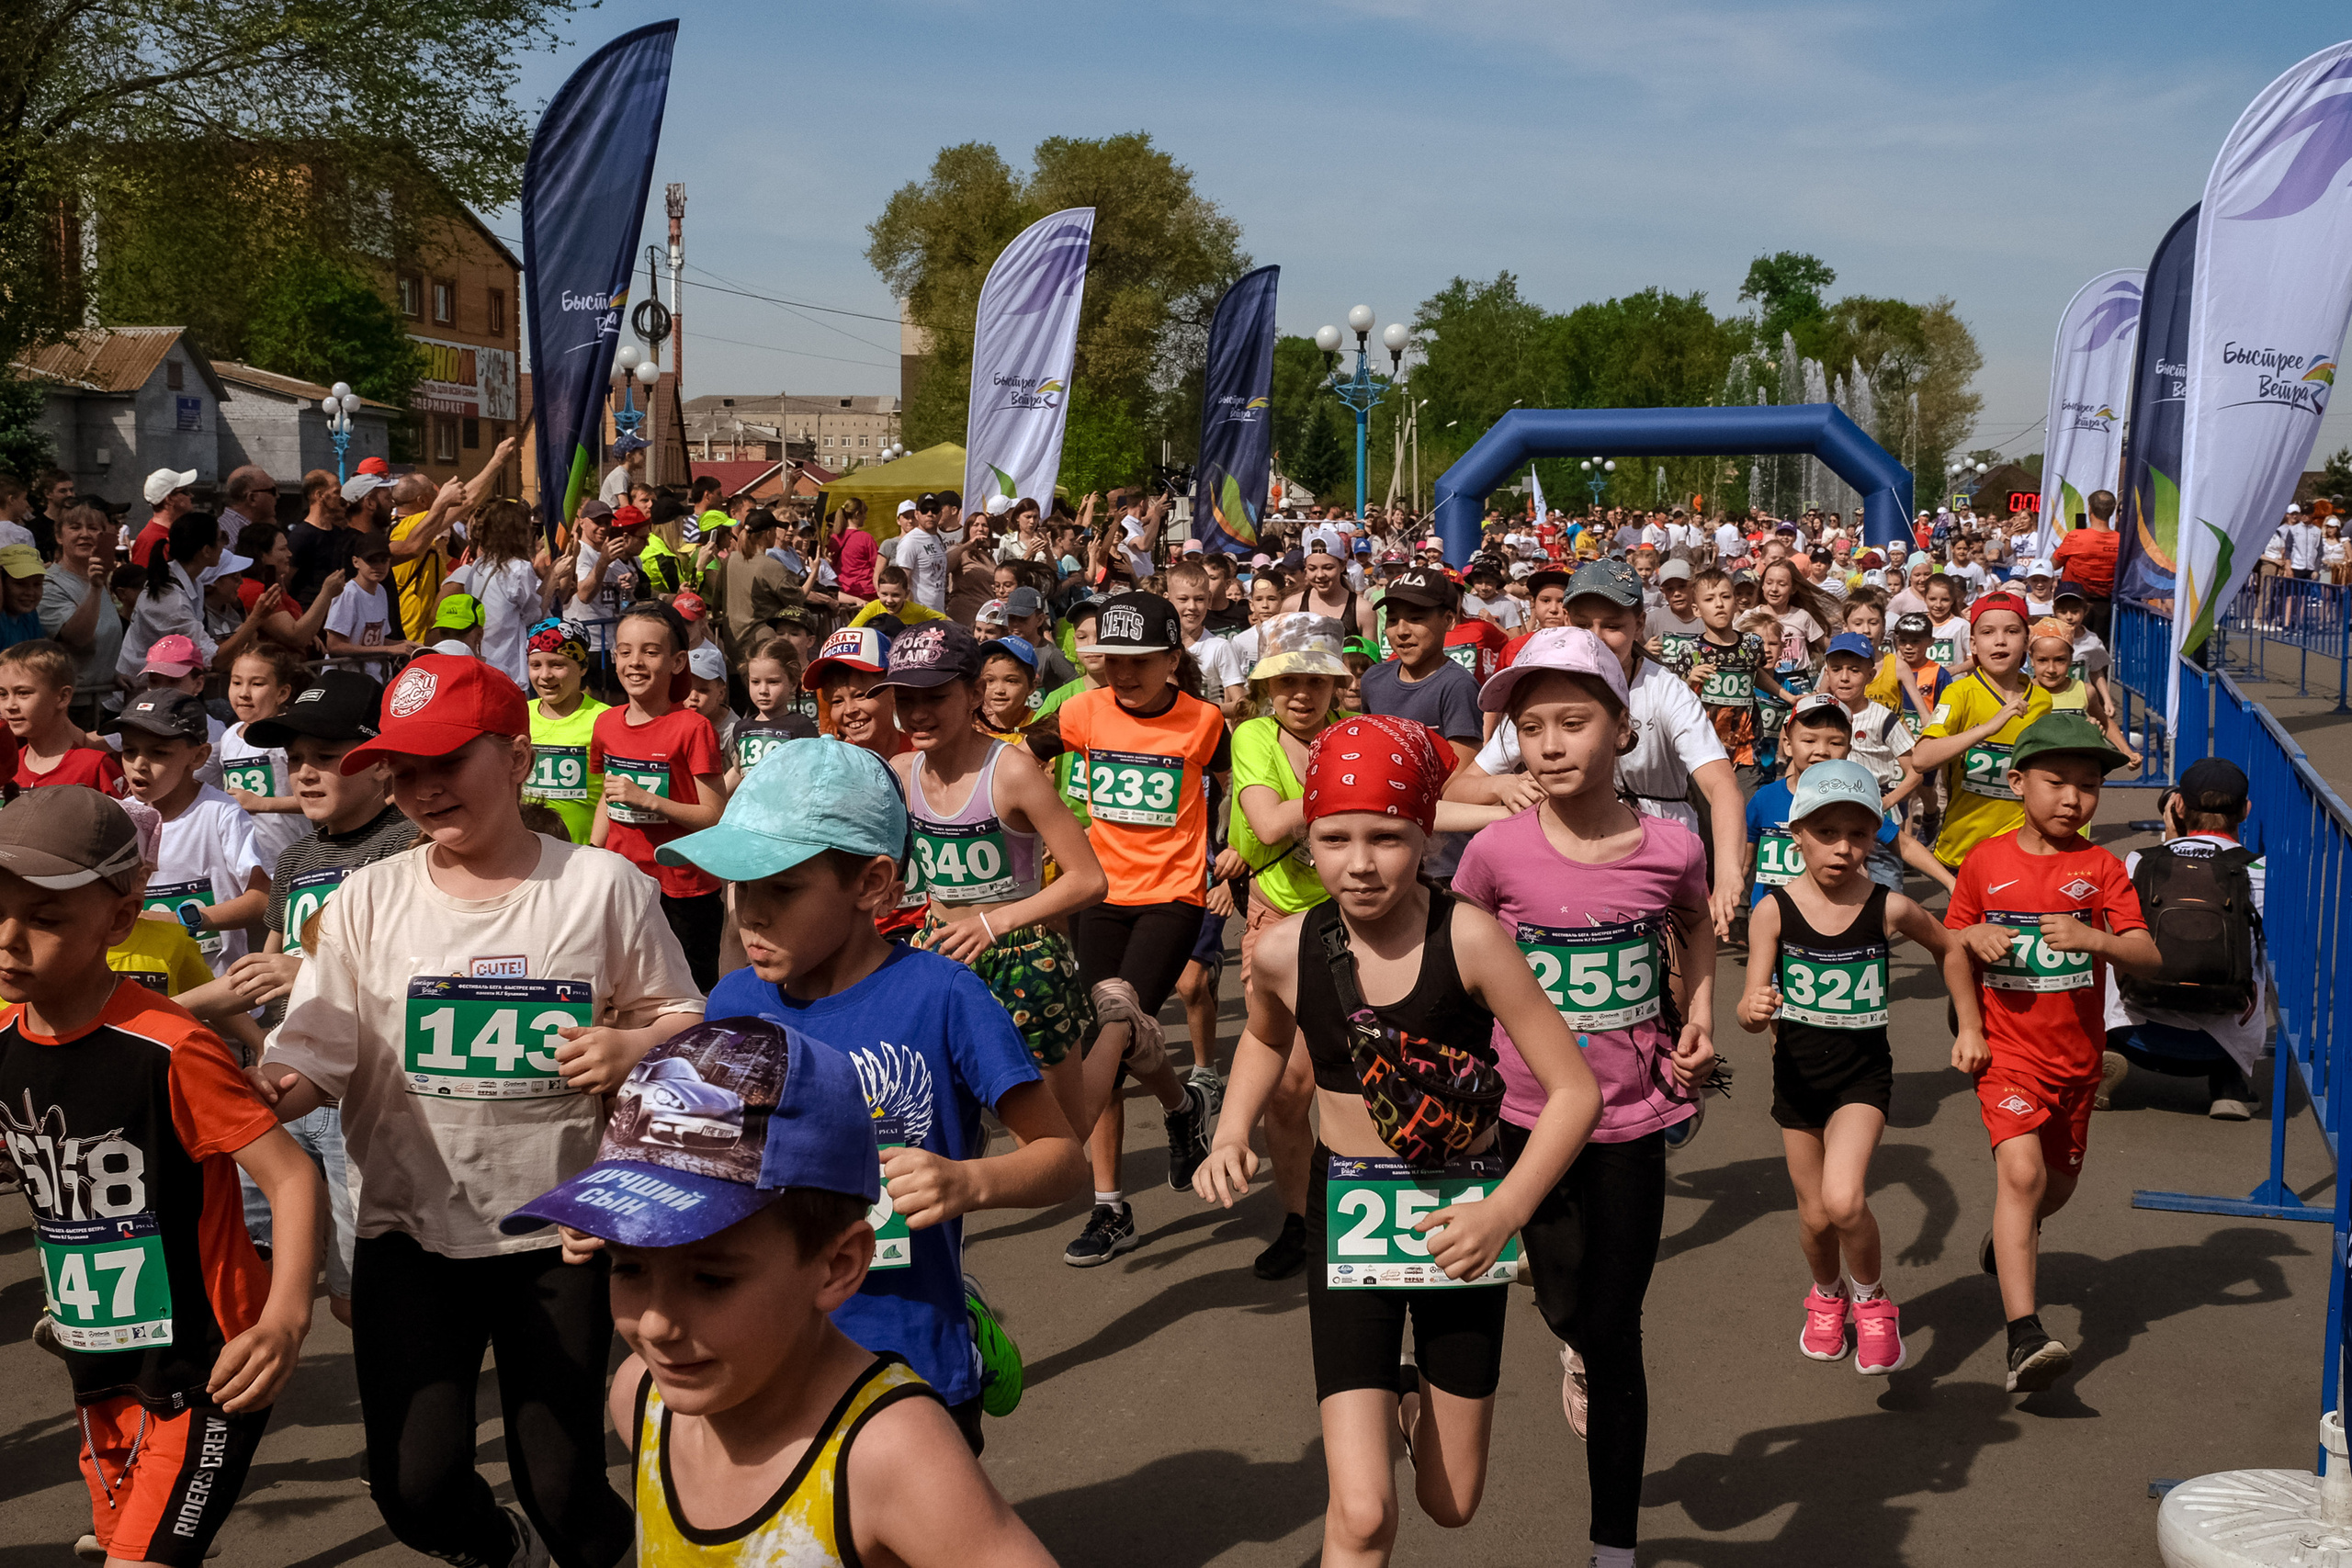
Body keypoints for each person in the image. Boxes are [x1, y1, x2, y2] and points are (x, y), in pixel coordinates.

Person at [249, 652, 706, 1568]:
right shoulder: (366, 900)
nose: (423, 789)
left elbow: (684, 1016)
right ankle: (500, 1550)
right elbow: (312, 1055)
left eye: (447, 763)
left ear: (518, 758)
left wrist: (628, 1047)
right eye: (403, 770)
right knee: (412, 1489)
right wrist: (254, 1095)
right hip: (406, 1237)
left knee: (567, 1483)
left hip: (559, 1238)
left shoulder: (602, 888)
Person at [1196, 712, 1600, 1568]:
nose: (1359, 861)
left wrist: (1505, 1211)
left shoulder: (1473, 939)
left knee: (1450, 1504)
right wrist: (1232, 1129)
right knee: (1364, 1511)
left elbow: (1574, 1091)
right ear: (1308, 841)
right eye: (1333, 837)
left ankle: (1412, 1401)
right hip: (1350, 1218)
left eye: (1386, 837)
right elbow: (1268, 1037)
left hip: (1465, 1222)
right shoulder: (1284, 950)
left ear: (1426, 835)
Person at [500, 1019, 1059, 1568]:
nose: (654, 1325)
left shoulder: (890, 1454)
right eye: (627, 1269)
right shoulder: (643, 1401)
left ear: (837, 1265)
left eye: (711, 1279)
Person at [662, 740, 1087, 1449]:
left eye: (782, 888)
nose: (750, 917)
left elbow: (1063, 1158)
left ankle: (970, 1321)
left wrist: (967, 1180)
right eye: (739, 887)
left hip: (910, 1360)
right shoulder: (733, 1001)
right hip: (764, 1353)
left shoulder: (946, 994)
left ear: (873, 882)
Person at [0, 785, 321, 1568]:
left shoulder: (171, 1046)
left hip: (210, 1366)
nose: (9, 939)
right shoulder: (6, 1037)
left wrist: (283, 1320)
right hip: (94, 1363)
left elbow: (292, 1175)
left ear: (117, 919)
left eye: (44, 918)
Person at [1450, 628, 1713, 1568]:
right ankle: (1565, 1333)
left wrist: (1701, 1010)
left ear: (1622, 729)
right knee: (1565, 1303)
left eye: (1573, 722)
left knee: (1615, 1329)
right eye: (1531, 728)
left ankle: (1614, 1547)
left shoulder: (1672, 847)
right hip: (1522, 1121)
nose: (1551, 744)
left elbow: (1694, 922)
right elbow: (1463, 964)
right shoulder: (1494, 854)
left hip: (1631, 1118)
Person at [1942, 711, 2160, 1394]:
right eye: (2056, 781)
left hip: (2077, 1062)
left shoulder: (2100, 868)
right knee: (2023, 1174)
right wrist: (1970, 1024)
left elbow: (2148, 955)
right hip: (2006, 1056)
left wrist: (2095, 939)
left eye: (2089, 784)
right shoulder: (1986, 862)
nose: (2073, 797)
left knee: (2050, 1188)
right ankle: (2024, 1337)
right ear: (2016, 782)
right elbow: (1954, 947)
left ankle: (2010, 1233)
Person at [1018, 591, 1221, 1265]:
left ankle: (1071, 1144)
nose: (1123, 673)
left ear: (1172, 658)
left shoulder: (1205, 723)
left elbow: (1241, 781)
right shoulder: (1079, 710)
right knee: (1108, 1032)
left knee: (1114, 1020)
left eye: (1141, 660)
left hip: (1173, 895)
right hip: (1100, 893)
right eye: (1111, 658)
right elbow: (1023, 753)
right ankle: (1129, 1180)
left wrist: (1236, 855)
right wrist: (1049, 817)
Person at [1736, 759, 1952, 1375]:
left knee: (1844, 1199)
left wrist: (1969, 1022)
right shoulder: (1773, 911)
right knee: (1813, 1216)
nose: (1842, 847)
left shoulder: (1889, 908)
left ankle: (1873, 1300)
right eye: (1826, 831)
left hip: (1862, 1078)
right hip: (1797, 1078)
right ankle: (1826, 1295)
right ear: (1796, 832)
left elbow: (1947, 945)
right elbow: (1752, 1009)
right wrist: (1754, 1007)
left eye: (1858, 834)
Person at [2101, 759, 2267, 1120]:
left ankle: (2092, 1056)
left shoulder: (2136, 862)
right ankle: (2229, 1085)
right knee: (2260, 960)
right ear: (2245, 810)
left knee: (2110, 941)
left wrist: (2171, 840)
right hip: (2217, 1049)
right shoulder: (2261, 872)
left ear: (2177, 807)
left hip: (2132, 1037)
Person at [591, 602, 729, 993]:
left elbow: (715, 815)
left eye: (651, 652)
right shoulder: (605, 723)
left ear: (677, 661)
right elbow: (609, 796)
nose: (635, 662)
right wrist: (593, 851)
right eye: (625, 651)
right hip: (622, 880)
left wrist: (649, 801)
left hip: (684, 889)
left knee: (687, 993)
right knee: (624, 987)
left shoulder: (692, 727)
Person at [119, 691, 269, 977]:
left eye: (159, 752)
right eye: (129, 751)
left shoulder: (221, 813)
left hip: (218, 990)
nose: (139, 764)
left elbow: (262, 898)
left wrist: (182, 920)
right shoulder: (119, 816)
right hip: (145, 987)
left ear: (199, 756)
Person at [1358, 567, 1483, 883]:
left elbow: (1458, 780)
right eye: (1393, 619)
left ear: (1449, 620)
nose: (1401, 630)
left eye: (1416, 618)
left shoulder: (1458, 686)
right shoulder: (1373, 679)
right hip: (1384, 852)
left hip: (1442, 861)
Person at [1910, 592, 2052, 871]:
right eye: (1988, 632)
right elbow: (1921, 758)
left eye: (2012, 631)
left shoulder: (2042, 700)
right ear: (1973, 643)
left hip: (2023, 853)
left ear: (2026, 640)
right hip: (1964, 852)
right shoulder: (1958, 693)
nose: (2000, 640)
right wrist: (1986, 729)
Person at [219, 643, 311, 871]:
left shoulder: (292, 736)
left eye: (257, 684)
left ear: (283, 692)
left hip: (290, 856)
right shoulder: (229, 735)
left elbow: (316, 798)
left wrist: (263, 804)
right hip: (244, 859)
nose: (243, 693)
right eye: (236, 682)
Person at [437, 496, 544, 688]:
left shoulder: (479, 564)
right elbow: (533, 615)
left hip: (481, 653)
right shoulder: (519, 567)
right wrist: (551, 582)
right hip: (508, 660)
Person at [519, 616, 608, 846]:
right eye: (535, 665)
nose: (545, 675)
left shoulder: (605, 719)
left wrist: (595, 848)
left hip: (584, 852)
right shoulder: (518, 715)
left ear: (582, 667)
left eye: (558, 665)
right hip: (525, 851)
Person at [1, 638, 122, 795]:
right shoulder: (6, 767)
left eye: (23, 693)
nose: (10, 705)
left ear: (63, 697)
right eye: (2, 694)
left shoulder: (95, 766)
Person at [2027, 616, 2140, 768]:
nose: (2051, 669)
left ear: (2070, 659)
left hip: (2077, 770)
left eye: (2060, 660)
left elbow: (2105, 722)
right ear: (2032, 659)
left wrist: (2127, 752)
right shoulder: (2023, 692)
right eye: (2042, 660)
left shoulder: (2085, 691)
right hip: (2038, 770)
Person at [323, 532, 409, 682]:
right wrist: (388, 649)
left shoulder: (381, 591)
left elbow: (378, 640)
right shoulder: (348, 593)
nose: (379, 566)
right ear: (356, 562)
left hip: (372, 680)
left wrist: (406, 645)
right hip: (344, 682)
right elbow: (335, 646)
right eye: (372, 560)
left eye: (384, 560)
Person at [2051, 489, 2120, 639]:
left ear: (2090, 508)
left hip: (2073, 604)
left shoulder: (2076, 537)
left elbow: (2053, 564)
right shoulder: (2120, 541)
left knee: (2069, 645)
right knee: (2099, 649)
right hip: (2105, 606)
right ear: (2112, 510)